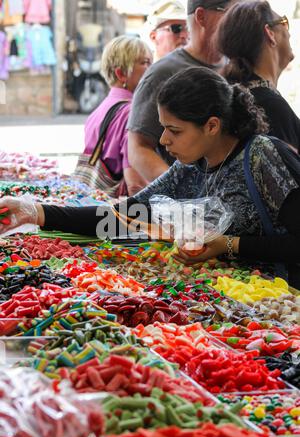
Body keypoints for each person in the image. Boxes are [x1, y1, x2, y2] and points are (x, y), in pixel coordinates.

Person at [2, 67, 300, 288]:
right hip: (232, 298)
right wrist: (36, 212)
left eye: (175, 130)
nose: (163, 140)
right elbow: (124, 217)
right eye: (163, 127)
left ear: (211, 125)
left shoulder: (263, 156)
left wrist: (231, 245)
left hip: (283, 305)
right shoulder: (191, 166)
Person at [127, 0, 239, 182]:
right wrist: (181, 191)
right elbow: (138, 147)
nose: (238, 19)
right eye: (232, 12)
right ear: (201, 16)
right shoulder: (162, 72)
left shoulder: (236, 68)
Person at [217, 0, 300, 154]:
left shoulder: (236, 95)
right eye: (284, 22)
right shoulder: (268, 105)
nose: (289, 32)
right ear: (270, 33)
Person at [82, 35, 152, 196]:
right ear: (121, 74)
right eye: (145, 63)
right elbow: (136, 185)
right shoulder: (131, 113)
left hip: (95, 204)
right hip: (119, 212)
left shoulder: (100, 109)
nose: (151, 69)